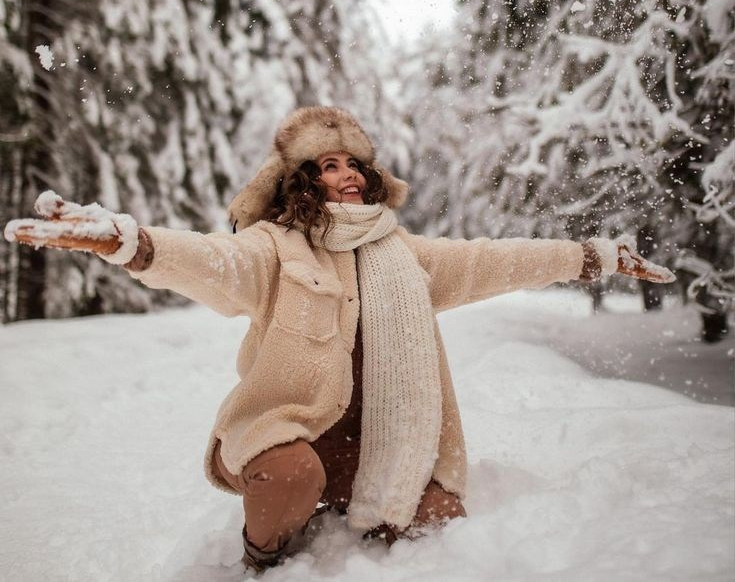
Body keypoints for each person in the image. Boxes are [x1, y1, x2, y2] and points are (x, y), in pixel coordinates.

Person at [5, 105, 675, 572]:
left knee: (441, 517)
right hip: (287, 434)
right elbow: (216, 260)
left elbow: (491, 258)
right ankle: (260, 558)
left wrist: (591, 255)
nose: (347, 173)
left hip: (379, 443)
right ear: (301, 181)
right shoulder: (276, 247)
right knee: (293, 474)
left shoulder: (404, 255)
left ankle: (361, 493)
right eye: (327, 165)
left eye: (353, 161)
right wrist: (135, 243)